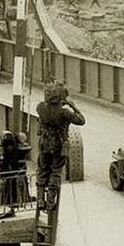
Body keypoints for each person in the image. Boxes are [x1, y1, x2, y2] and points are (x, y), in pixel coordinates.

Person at [35, 81, 85, 210]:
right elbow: (81, 120)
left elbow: (47, 112)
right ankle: (50, 199)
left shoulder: (40, 107)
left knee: (42, 170)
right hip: (58, 144)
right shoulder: (64, 113)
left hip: (44, 143)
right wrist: (73, 106)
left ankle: (40, 198)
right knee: (56, 171)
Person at [0, 130, 32, 217]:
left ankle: (14, 202)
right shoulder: (10, 148)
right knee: (11, 186)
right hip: (12, 170)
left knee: (13, 186)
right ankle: (13, 202)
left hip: (13, 170)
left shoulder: (12, 148)